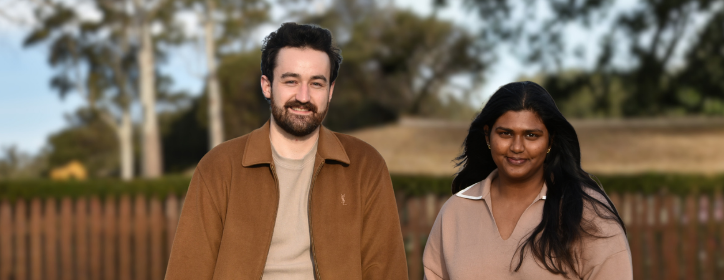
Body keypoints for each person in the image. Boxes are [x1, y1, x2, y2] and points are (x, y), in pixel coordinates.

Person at [165, 22, 408, 280]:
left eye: (316, 83)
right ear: (267, 86)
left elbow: (386, 270)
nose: (303, 96)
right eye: (291, 81)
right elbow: (188, 270)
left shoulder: (365, 166)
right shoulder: (219, 167)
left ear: (330, 91)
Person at [422, 81, 631, 279]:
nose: (517, 147)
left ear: (551, 140)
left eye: (531, 135)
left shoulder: (588, 214)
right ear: (487, 137)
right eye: (505, 133)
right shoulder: (455, 212)